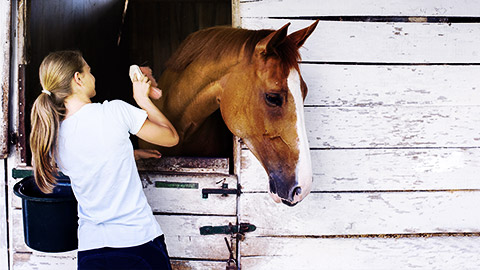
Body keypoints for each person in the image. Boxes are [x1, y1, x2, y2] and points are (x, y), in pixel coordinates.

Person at [29, 50, 179, 269]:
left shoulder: (53, 137)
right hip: (138, 242)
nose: (93, 77)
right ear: (78, 79)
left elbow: (91, 159)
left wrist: (130, 153)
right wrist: (142, 99)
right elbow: (171, 138)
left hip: (91, 251)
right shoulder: (115, 111)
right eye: (89, 71)